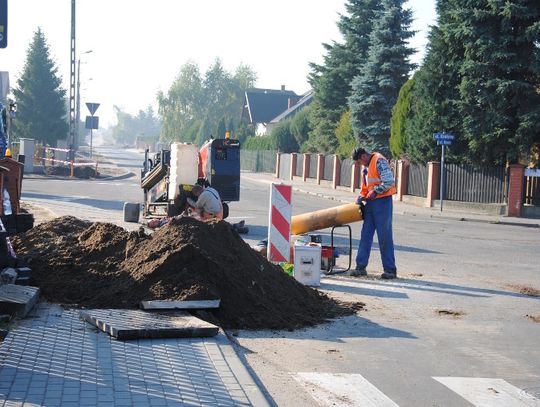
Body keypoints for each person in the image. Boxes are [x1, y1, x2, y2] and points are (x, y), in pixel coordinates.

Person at [350, 147, 397, 279]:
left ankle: (390, 270)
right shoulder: (366, 167)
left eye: (359, 162)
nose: (360, 165)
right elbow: (366, 187)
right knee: (366, 235)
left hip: (383, 203)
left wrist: (376, 191)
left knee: (384, 237)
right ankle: (360, 268)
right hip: (371, 203)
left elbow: (389, 182)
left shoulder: (379, 161)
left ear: (364, 156)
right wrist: (361, 196)